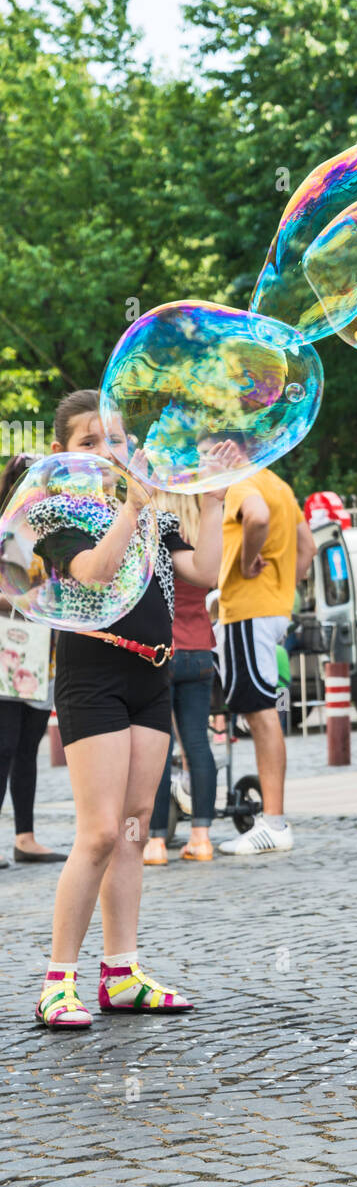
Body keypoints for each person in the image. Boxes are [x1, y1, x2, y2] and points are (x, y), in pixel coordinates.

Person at [31, 390, 227, 1028]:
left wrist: (216, 499)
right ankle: (58, 981)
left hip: (152, 673)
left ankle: (122, 972)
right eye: (89, 442)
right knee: (99, 831)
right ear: (62, 453)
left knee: (138, 825)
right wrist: (131, 510)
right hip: (93, 678)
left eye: (114, 439)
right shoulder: (56, 516)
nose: (106, 451)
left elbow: (207, 569)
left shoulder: (152, 513)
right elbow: (93, 571)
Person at [216, 468, 316, 855]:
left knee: (260, 712)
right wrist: (282, 589)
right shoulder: (279, 484)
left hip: (246, 609)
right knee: (262, 709)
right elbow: (307, 548)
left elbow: (256, 518)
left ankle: (273, 823)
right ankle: (272, 821)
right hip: (271, 610)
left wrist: (244, 563)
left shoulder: (243, 483)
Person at [144, 494, 219, 864]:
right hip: (201, 648)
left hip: (164, 650)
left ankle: (156, 842)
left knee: (160, 749)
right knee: (198, 745)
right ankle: (202, 837)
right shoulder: (201, 534)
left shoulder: (159, 534)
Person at [0, 454, 64, 867]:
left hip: (44, 651)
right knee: (3, 746)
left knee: (27, 747)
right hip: (9, 649)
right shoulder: (5, 535)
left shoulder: (54, 535)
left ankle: (26, 837)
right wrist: (31, 599)